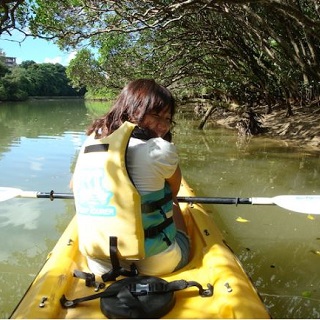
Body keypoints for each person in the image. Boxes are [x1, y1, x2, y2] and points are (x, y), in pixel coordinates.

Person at [71, 79, 190, 276]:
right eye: (155, 115)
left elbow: (74, 185)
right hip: (156, 264)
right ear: (133, 110)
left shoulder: (91, 142)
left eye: (167, 119)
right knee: (172, 200)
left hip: (101, 265)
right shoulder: (160, 149)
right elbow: (175, 191)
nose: (162, 125)